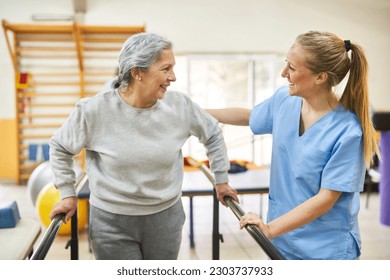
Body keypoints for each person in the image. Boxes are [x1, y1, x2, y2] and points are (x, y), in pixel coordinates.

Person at [49, 32, 238, 260]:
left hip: (165, 219)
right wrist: (68, 193)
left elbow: (213, 134)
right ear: (138, 72)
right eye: (165, 68)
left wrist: (221, 179)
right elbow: (60, 147)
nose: (173, 77)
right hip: (111, 221)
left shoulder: (180, 106)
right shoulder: (94, 110)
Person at [207, 31, 379, 260]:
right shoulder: (285, 100)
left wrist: (269, 228)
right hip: (282, 239)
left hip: (325, 249)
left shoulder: (347, 132)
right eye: (285, 64)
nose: (283, 73)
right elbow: (250, 116)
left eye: (292, 68)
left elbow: (326, 198)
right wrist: (197, 113)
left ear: (320, 77)